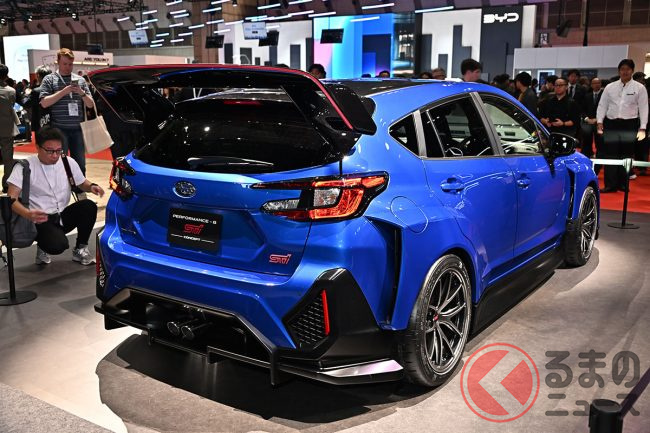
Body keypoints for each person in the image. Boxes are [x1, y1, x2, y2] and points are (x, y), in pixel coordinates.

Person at [6, 126, 105, 265]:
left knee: (89, 206)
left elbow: (82, 182)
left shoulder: (67, 162)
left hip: (61, 215)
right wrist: (27, 214)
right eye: (50, 151)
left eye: (59, 150)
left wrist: (91, 186)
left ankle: (80, 249)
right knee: (58, 245)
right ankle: (43, 245)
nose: (55, 155)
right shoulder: (25, 166)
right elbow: (11, 199)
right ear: (37, 147)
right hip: (38, 219)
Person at [39, 48, 95, 175]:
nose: (68, 67)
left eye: (70, 64)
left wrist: (81, 92)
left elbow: (90, 104)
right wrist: (64, 91)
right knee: (59, 164)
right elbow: (44, 102)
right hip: (58, 130)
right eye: (64, 64)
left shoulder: (80, 80)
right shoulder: (49, 79)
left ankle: (79, 186)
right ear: (58, 62)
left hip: (78, 129)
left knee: (80, 165)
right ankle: (60, 186)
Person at [597, 59, 648, 192]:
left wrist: (643, 127)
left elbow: (644, 108)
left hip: (629, 124)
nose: (625, 72)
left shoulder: (639, 88)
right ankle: (610, 185)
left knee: (626, 155)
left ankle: (623, 184)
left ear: (632, 71)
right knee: (610, 154)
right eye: (622, 69)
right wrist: (599, 121)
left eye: (627, 69)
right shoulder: (610, 87)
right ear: (619, 71)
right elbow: (602, 105)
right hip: (611, 123)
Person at [0, 64, 16, 192]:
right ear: (6, 76)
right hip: (6, 127)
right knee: (7, 158)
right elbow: (12, 105)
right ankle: (6, 184)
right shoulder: (11, 91)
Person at [581, 77, 604, 160]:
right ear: (591, 85)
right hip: (588, 122)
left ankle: (599, 159)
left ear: (601, 84)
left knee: (600, 142)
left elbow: (607, 108)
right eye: (594, 83)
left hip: (600, 122)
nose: (596, 85)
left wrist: (597, 119)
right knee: (586, 141)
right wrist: (587, 119)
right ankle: (586, 157)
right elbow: (582, 109)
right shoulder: (587, 96)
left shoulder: (605, 95)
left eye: (598, 83)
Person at [29, 65, 52, 132]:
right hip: (54, 123)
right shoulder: (55, 89)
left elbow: (26, 103)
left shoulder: (36, 91)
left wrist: (27, 94)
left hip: (40, 123)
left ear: (38, 75)